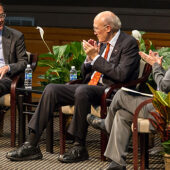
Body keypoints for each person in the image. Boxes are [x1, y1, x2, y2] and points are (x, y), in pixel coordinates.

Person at [6, 11, 140, 162]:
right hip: (91, 87)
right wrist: (89, 59)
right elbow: (85, 73)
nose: (94, 31)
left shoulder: (128, 43)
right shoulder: (102, 42)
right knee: (51, 88)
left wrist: (96, 57)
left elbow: (121, 75)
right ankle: (31, 144)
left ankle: (79, 147)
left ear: (108, 28)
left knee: (83, 90)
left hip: (112, 91)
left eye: (96, 28)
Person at [87, 50, 170, 170]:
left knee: (121, 95)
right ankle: (117, 164)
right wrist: (158, 66)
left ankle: (106, 124)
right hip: (162, 107)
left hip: (163, 112)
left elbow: (163, 86)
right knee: (122, 115)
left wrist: (155, 66)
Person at [0, 3, 28, 132]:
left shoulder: (16, 36)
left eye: (2, 15)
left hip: (6, 78)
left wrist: (8, 67)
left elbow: (23, 62)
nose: (1, 19)